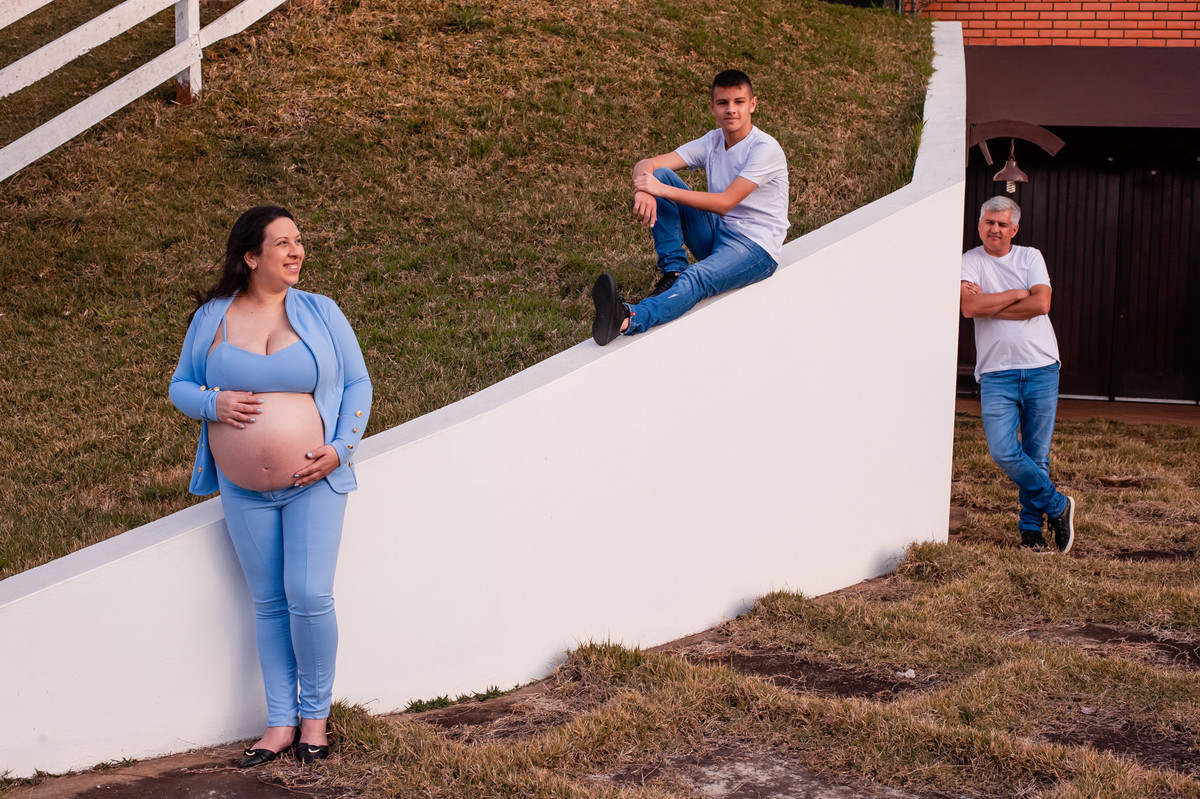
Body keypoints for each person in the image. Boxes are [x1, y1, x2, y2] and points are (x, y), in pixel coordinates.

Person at [170, 205, 372, 766]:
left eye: (298, 240)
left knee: (309, 596)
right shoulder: (212, 317)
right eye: (282, 242)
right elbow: (181, 385)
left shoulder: (321, 311)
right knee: (270, 604)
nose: (296, 250)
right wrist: (213, 403)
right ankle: (280, 723)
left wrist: (341, 448)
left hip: (314, 480)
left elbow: (358, 382)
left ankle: (315, 720)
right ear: (250, 255)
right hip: (243, 491)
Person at [591, 69, 789, 345]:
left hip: (756, 248)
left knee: (697, 277)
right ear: (712, 107)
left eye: (739, 102)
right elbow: (647, 165)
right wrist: (644, 188)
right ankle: (673, 272)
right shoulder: (713, 141)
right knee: (660, 175)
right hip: (719, 233)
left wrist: (659, 189)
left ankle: (626, 318)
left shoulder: (764, 148)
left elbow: (725, 203)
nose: (731, 110)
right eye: (723, 103)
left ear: (753, 104)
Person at [960, 196, 1075, 553]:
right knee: (1004, 452)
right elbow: (970, 306)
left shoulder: (1030, 256)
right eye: (989, 222)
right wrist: (1016, 293)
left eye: (1002, 224)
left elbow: (1041, 303)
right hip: (996, 372)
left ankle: (1031, 532)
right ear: (980, 224)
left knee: (1036, 455)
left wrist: (992, 305)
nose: (994, 229)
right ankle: (1058, 505)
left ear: (1014, 229)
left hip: (1041, 366)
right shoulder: (969, 261)